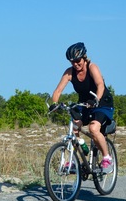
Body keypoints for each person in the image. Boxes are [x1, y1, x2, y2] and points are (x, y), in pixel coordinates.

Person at [49, 42, 115, 174]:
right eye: (72, 61)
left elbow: (100, 84)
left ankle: (107, 158)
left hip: (101, 103)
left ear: (84, 57)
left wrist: (96, 99)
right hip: (84, 104)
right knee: (74, 126)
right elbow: (57, 91)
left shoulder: (92, 67)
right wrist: (54, 104)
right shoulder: (69, 72)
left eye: (78, 60)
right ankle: (75, 157)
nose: (75, 64)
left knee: (93, 128)